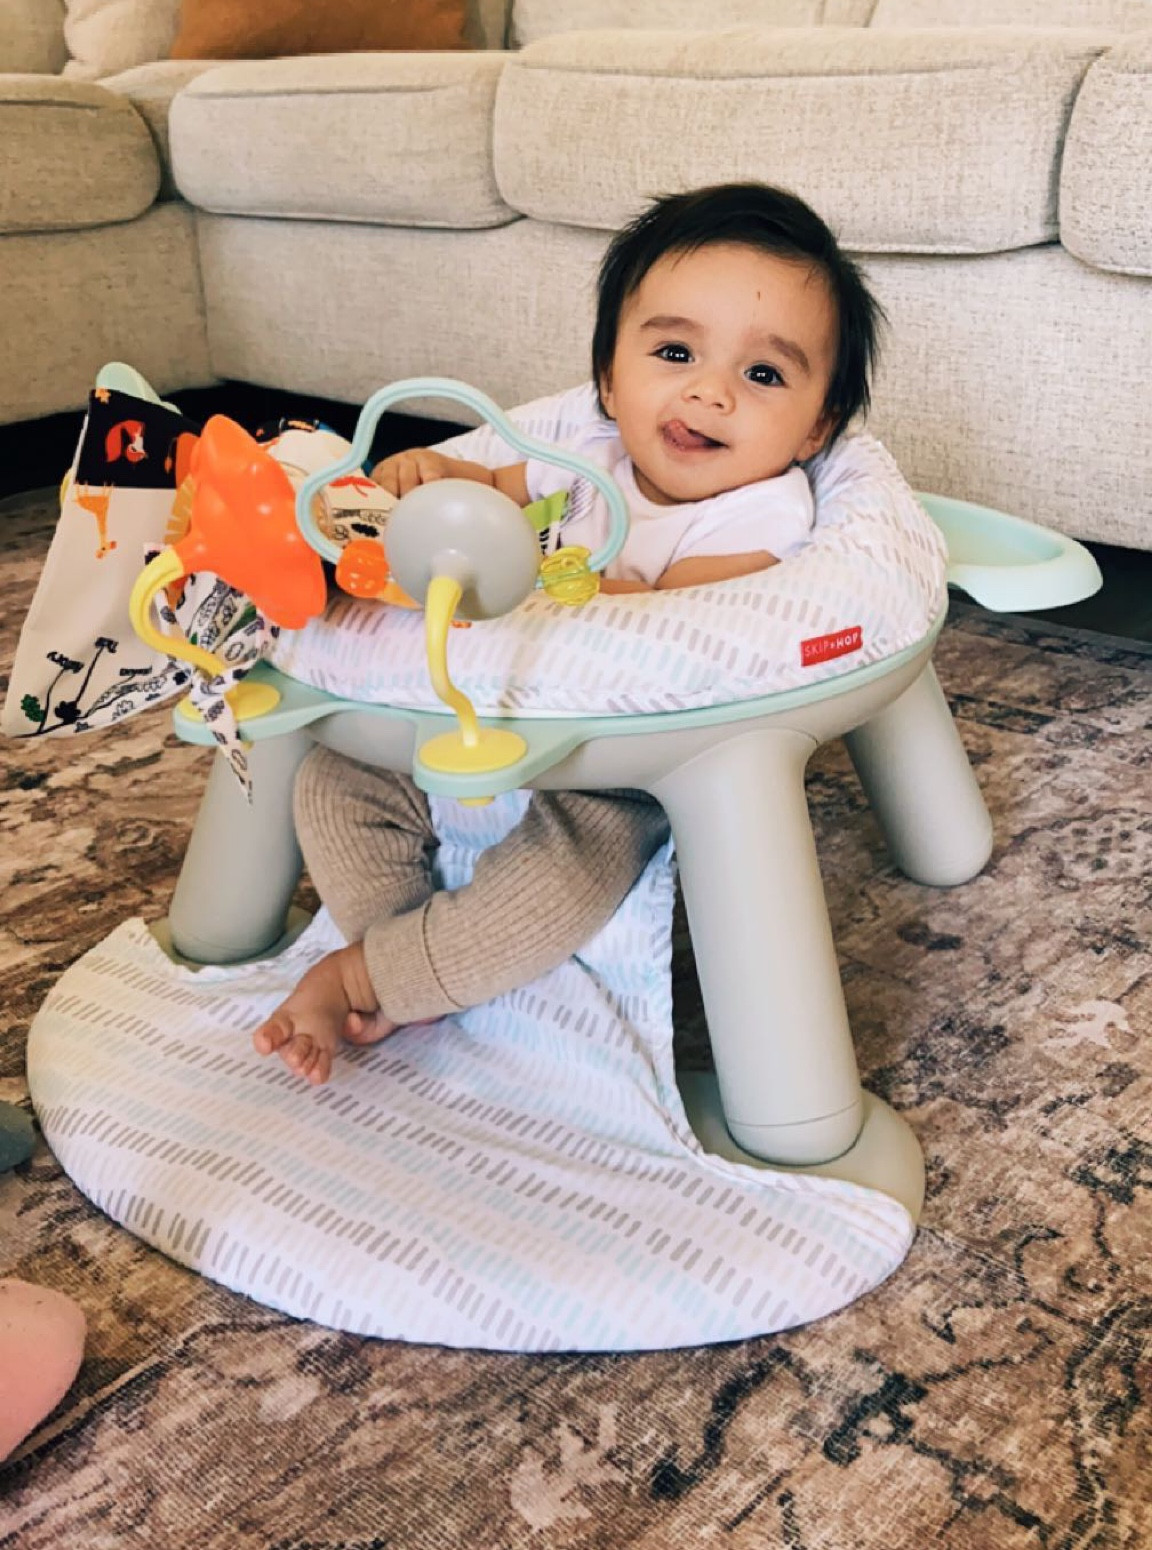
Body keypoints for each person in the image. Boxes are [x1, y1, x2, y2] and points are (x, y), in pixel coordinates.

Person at [252, 180, 884, 1085]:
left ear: (817, 425)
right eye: (674, 351)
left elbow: (700, 625)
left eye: (763, 375)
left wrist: (602, 596)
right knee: (332, 777)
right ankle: (398, 937)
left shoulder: (762, 511)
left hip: (607, 764)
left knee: (569, 871)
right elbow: (483, 504)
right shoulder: (581, 462)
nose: (709, 394)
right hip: (477, 709)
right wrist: (436, 479)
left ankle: (367, 976)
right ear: (608, 378)